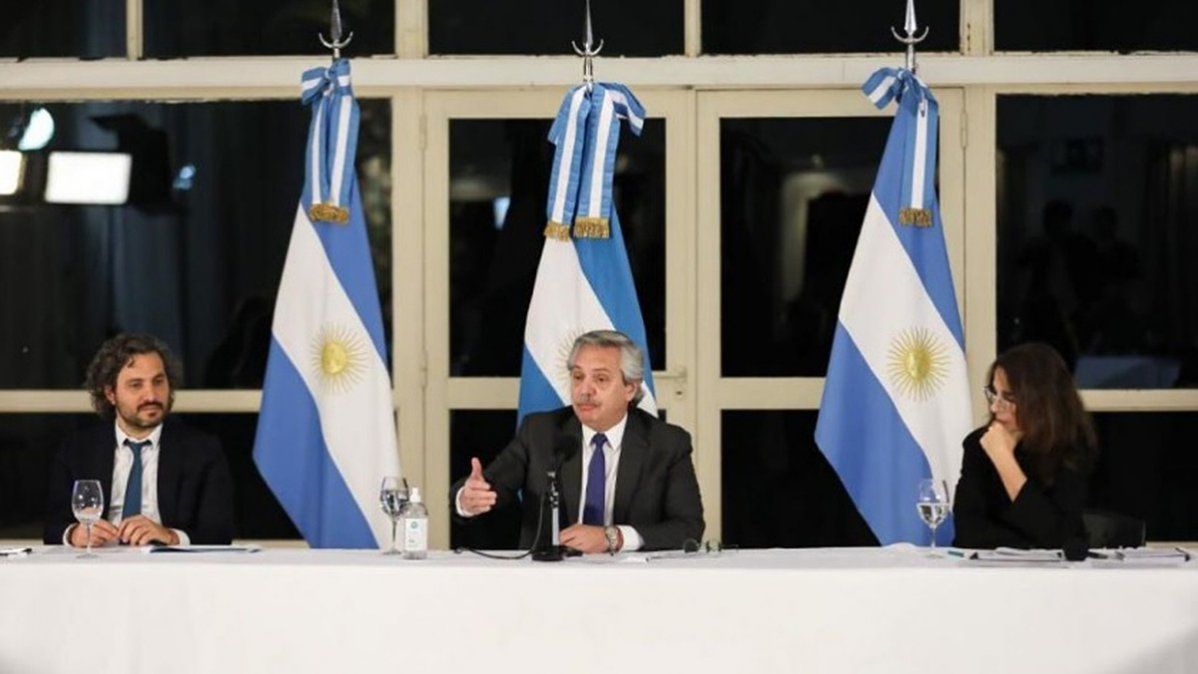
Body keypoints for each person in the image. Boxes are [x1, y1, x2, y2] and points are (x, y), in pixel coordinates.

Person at [452, 330, 704, 553]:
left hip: (631, 581)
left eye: (601, 379)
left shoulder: (666, 443)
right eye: (578, 377)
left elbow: (688, 527)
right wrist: (467, 498)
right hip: (550, 578)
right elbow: (490, 487)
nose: (585, 390)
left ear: (630, 388)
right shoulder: (541, 432)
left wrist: (613, 537)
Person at [44, 333, 234, 547]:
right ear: (111, 393)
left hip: (169, 564)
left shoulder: (202, 450)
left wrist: (170, 536)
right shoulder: (77, 450)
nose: (151, 395)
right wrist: (74, 534)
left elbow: (219, 533)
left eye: (158, 382)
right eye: (136, 385)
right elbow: (52, 528)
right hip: (99, 561)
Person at [952, 342, 1096, 550]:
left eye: (1008, 397)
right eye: (993, 394)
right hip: (988, 569)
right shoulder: (978, 444)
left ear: (1041, 400)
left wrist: (1004, 460)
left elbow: (1058, 537)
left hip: (1058, 570)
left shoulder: (1071, 447)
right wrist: (1028, 541)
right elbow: (967, 534)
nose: (995, 407)